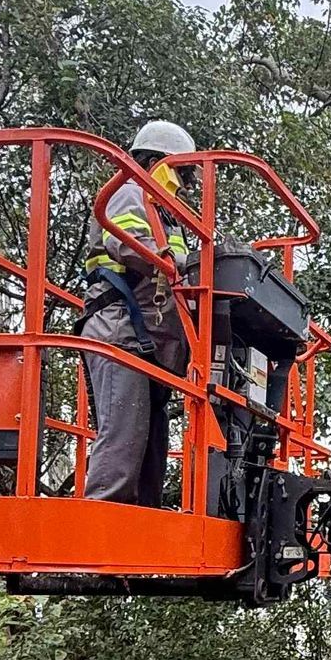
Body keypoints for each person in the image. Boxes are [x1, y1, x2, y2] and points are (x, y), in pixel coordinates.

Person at [79, 118, 196, 504]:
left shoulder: (165, 214)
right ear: (158, 163)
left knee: (150, 452)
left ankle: (137, 548)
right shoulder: (129, 192)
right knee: (124, 442)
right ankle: (93, 550)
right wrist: (175, 259)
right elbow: (131, 246)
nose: (186, 185)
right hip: (119, 332)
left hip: (147, 342)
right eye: (182, 172)